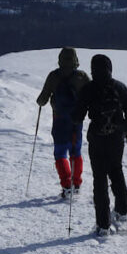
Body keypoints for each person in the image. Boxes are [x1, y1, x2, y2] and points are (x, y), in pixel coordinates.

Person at [73, 54, 127, 236]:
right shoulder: (119, 87)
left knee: (99, 179)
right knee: (117, 171)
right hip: (116, 138)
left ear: (92, 69)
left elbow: (77, 116)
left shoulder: (88, 89)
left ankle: (103, 225)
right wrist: (126, 130)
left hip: (97, 138)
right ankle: (123, 213)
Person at [36, 48, 90, 197]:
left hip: (59, 120)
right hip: (76, 121)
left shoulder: (54, 76)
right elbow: (91, 95)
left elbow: (42, 100)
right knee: (76, 152)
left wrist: (40, 102)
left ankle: (67, 185)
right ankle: (76, 183)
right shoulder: (81, 76)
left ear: (60, 59)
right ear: (75, 59)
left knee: (60, 153)